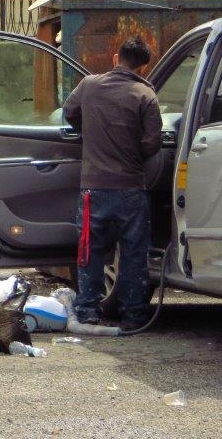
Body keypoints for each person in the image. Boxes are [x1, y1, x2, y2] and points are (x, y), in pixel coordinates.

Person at [62, 35, 162, 330]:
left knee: (90, 250)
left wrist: (89, 132)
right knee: (133, 254)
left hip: (93, 188)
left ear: (116, 58)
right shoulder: (146, 95)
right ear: (144, 66)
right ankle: (134, 316)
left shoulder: (89, 85)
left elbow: (69, 113)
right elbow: (152, 143)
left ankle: (89, 311)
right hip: (131, 189)